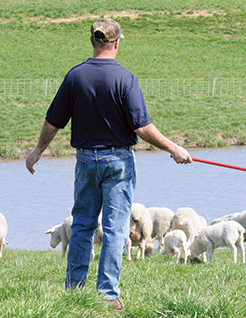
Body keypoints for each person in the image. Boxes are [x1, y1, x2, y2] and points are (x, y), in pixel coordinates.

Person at [25, 18, 192, 313]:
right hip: (118, 161)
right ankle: (107, 295)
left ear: (92, 42)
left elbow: (54, 121)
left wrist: (38, 151)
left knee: (82, 226)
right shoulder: (125, 78)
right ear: (116, 43)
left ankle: (74, 290)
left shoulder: (75, 77)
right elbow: (142, 127)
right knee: (115, 230)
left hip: (86, 160)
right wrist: (173, 148)